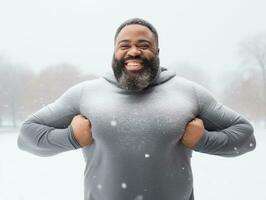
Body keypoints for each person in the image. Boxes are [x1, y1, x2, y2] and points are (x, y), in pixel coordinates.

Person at [17, 18, 256, 200]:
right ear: (115, 52)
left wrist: (203, 140)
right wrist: (70, 137)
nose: (133, 51)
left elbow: (246, 137)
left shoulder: (188, 92)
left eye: (144, 45)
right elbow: (27, 136)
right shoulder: (85, 94)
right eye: (125, 45)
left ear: (157, 52)